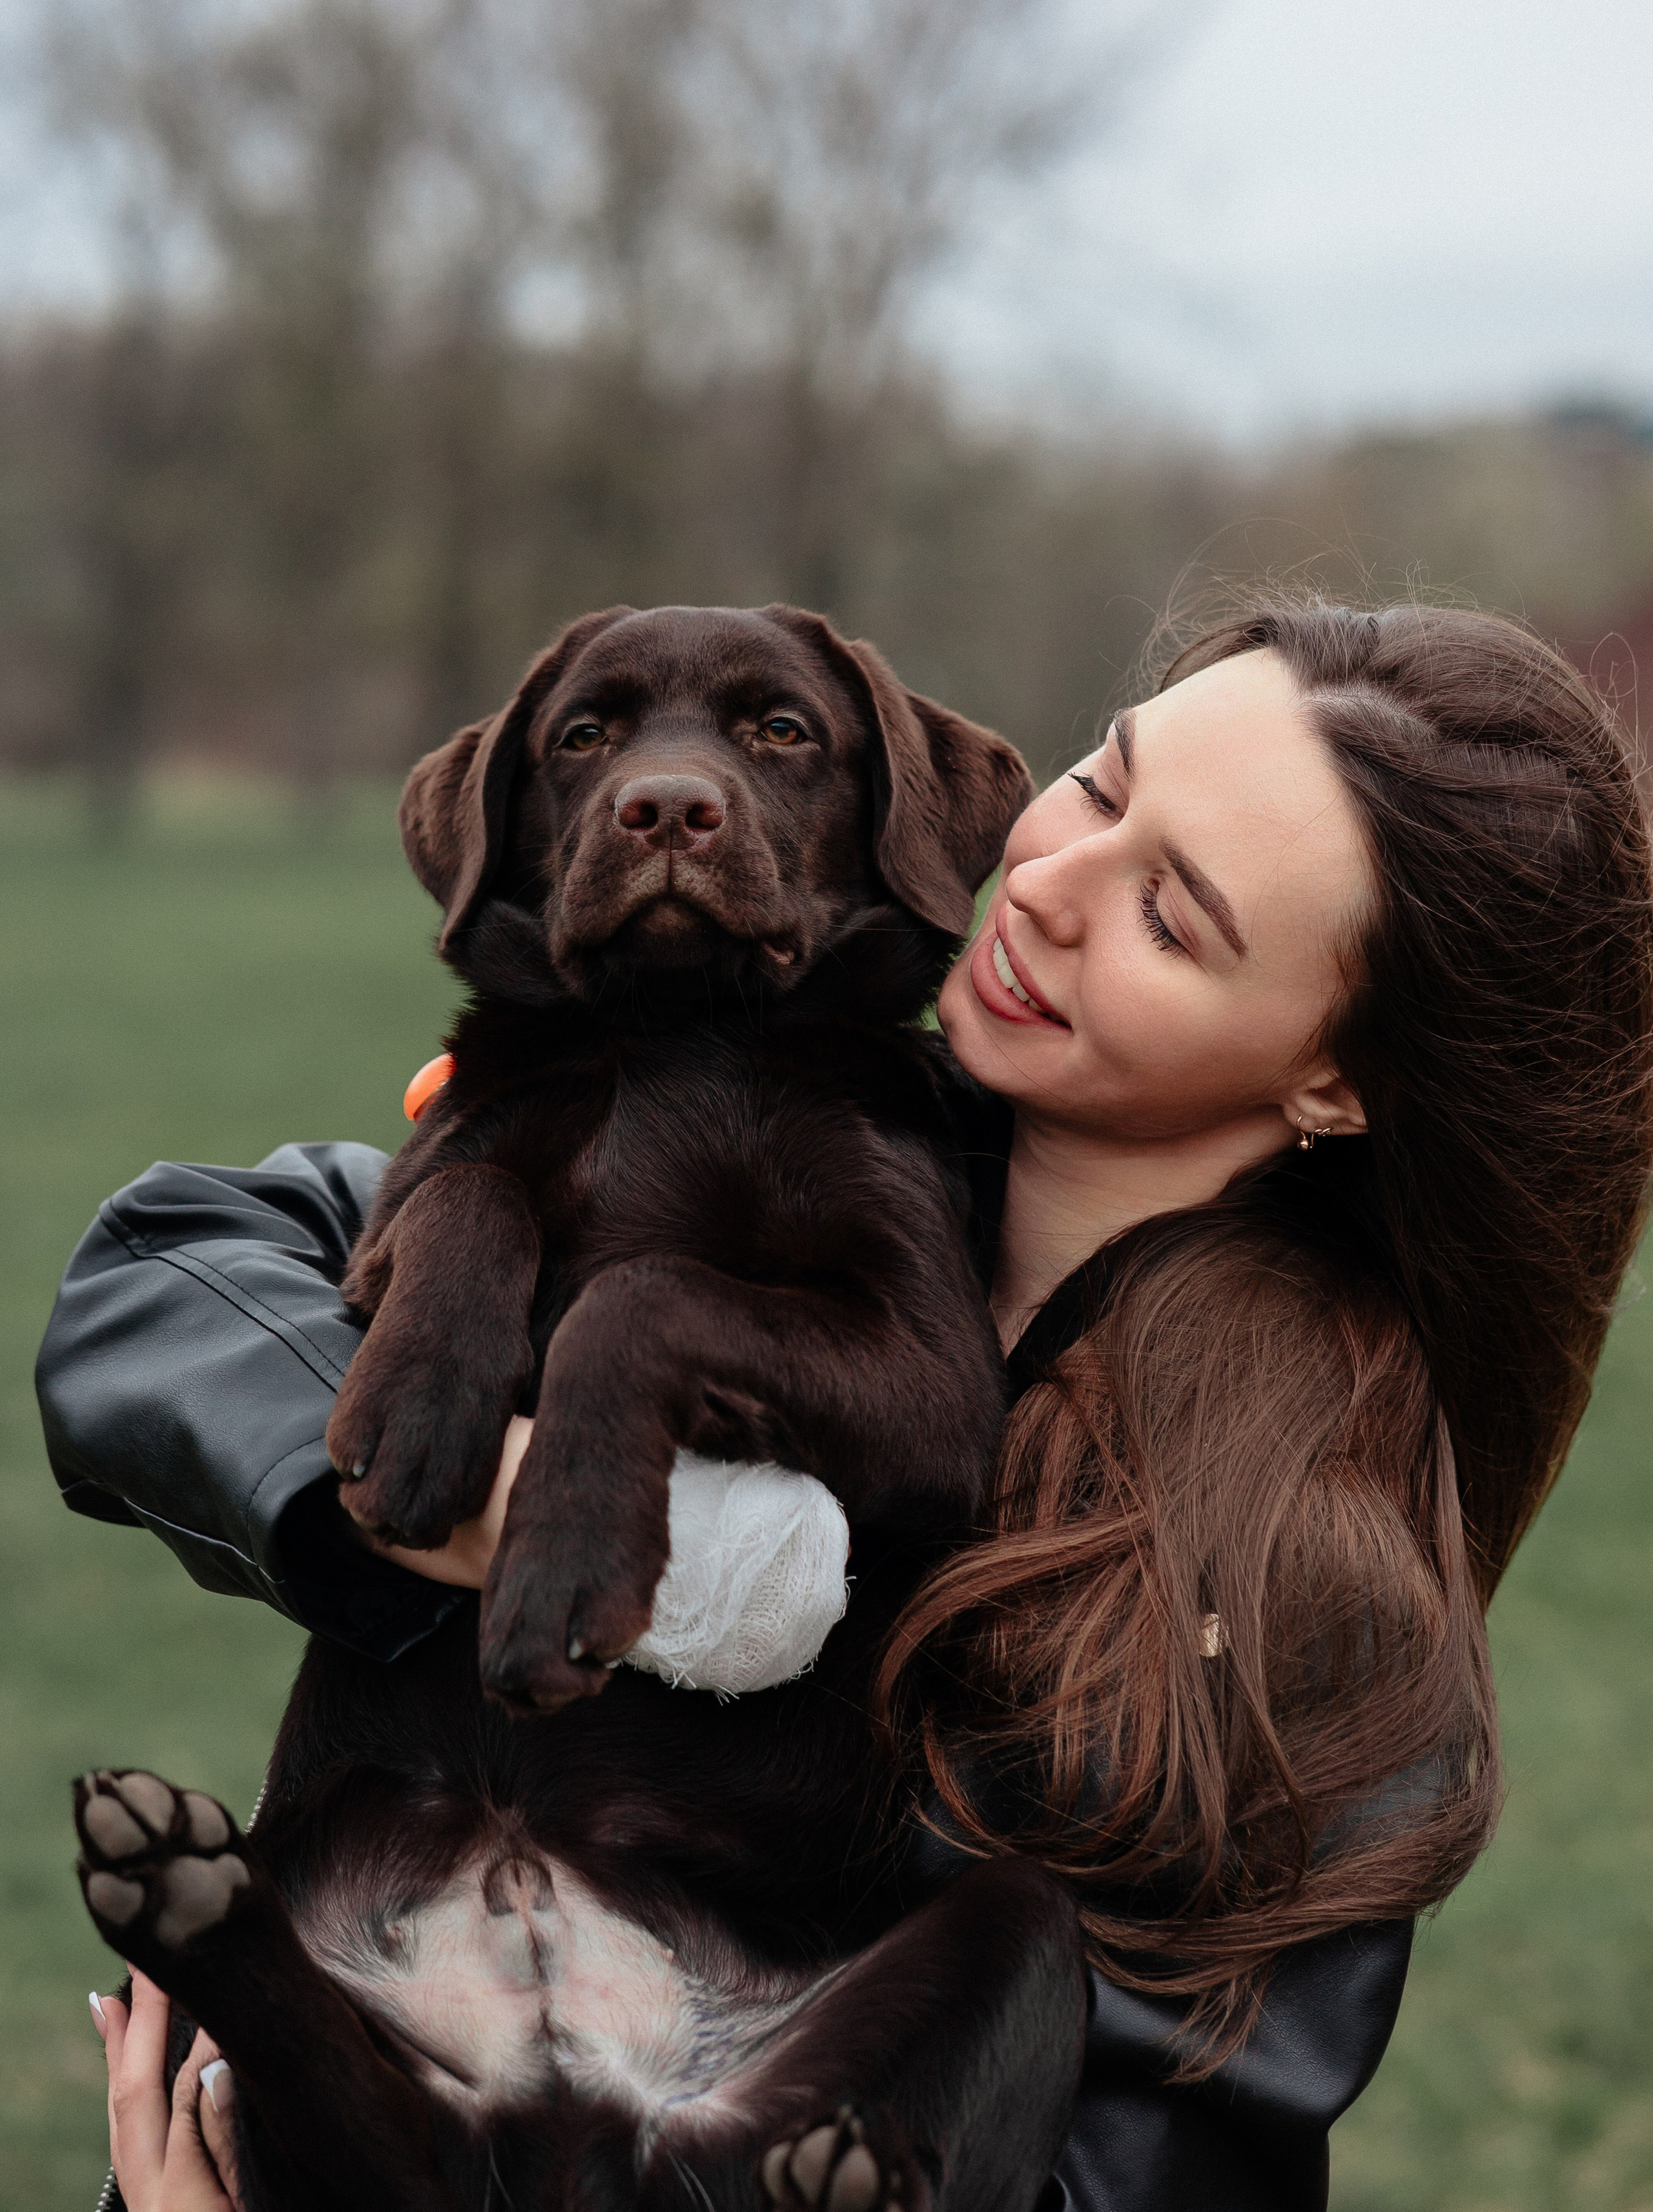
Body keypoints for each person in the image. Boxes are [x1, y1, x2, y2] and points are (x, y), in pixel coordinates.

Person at [45, 597, 1653, 2212]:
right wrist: (465, 1503)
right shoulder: (749, 1100)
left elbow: (1131, 2175)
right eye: (1101, 790)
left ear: (1335, 1077)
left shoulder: (1314, 1597)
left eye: (1172, 915)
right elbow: (160, 1269)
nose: (1044, 886)